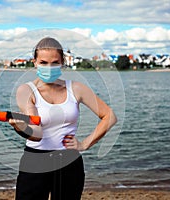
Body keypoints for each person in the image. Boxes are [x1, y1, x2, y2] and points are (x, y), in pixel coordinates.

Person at [9, 37, 117, 200]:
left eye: (54, 62)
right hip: (35, 161)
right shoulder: (26, 91)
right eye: (44, 62)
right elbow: (37, 134)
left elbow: (110, 116)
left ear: (62, 63)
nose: (49, 67)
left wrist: (85, 144)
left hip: (69, 162)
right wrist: (20, 128)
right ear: (35, 62)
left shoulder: (76, 88)